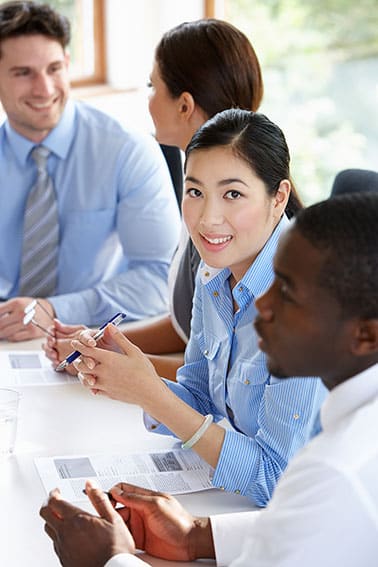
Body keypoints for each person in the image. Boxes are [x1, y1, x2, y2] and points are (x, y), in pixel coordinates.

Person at [40, 191, 378, 567]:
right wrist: (197, 536)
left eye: (287, 293)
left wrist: (110, 559)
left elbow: (315, 504)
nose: (262, 304)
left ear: (366, 335)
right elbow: (314, 525)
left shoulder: (339, 470)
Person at [69, 109, 326, 506]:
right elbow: (201, 397)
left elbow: (277, 479)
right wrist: (132, 373)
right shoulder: (215, 273)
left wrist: (152, 395)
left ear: (279, 198)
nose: (208, 219)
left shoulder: (307, 303)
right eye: (195, 192)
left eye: (233, 194)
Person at [44, 18, 264, 379]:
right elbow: (190, 326)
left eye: (152, 86)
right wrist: (101, 342)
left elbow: (223, 377)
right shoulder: (205, 191)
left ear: (184, 105)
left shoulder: (229, 220)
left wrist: (108, 361)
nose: (147, 100)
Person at [0, 1, 180, 341]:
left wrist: (55, 309)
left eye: (54, 69)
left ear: (68, 64)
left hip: (91, 338)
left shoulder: (126, 150)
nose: (44, 89)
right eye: (23, 73)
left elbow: (160, 279)